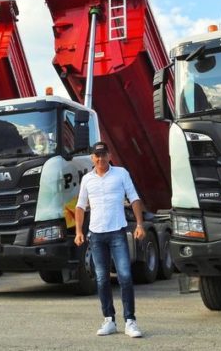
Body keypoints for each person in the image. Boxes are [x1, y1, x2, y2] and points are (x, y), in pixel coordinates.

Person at [74, 141, 146, 338]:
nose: (100, 159)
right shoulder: (87, 179)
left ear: (109, 155)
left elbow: (134, 198)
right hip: (96, 235)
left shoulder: (121, 174)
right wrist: (79, 231)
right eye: (97, 155)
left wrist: (140, 225)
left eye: (103, 154)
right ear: (92, 158)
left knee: (125, 276)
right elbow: (80, 206)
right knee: (102, 278)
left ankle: (130, 321)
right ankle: (109, 320)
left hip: (117, 232)